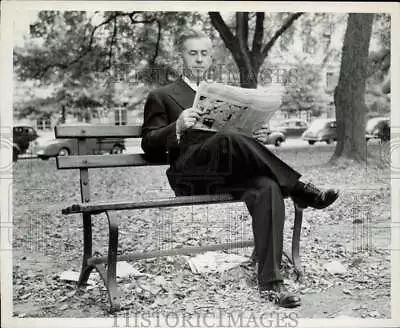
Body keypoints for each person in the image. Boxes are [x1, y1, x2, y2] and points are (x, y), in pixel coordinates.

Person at [141, 28, 339, 308]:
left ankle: (271, 283)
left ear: (211, 57)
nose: (199, 59)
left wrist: (258, 134)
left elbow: (239, 134)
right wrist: (178, 126)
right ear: (181, 57)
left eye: (205, 54)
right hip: (191, 174)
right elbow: (148, 143)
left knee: (268, 187)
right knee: (228, 138)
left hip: (229, 171)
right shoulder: (162, 96)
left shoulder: (221, 93)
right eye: (192, 53)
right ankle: (298, 188)